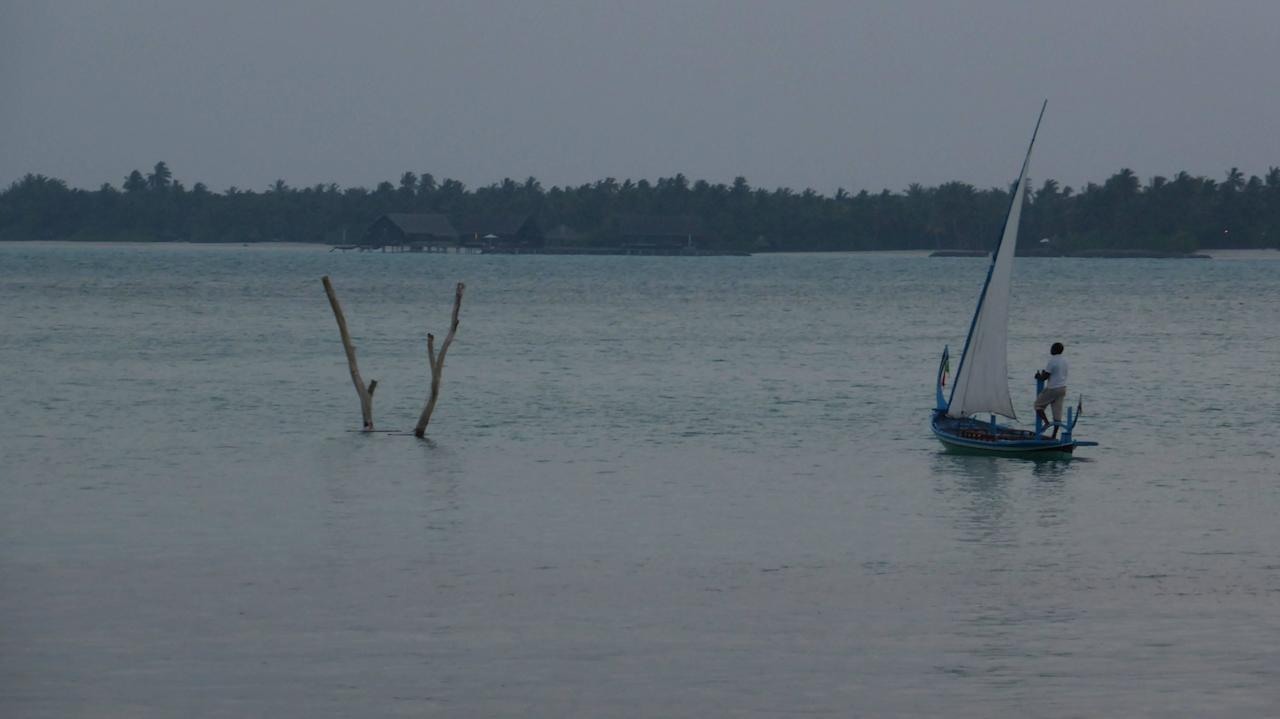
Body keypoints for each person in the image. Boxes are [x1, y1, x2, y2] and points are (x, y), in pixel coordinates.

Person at [1034, 342, 1069, 438]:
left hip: (1053, 388)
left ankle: (1046, 423)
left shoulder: (1052, 361)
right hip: (1062, 388)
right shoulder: (1065, 361)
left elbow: (1044, 377)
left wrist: (1038, 376)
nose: (1050, 350)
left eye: (1051, 348)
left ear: (1054, 350)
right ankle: (1054, 435)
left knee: (1038, 405)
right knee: (1057, 415)